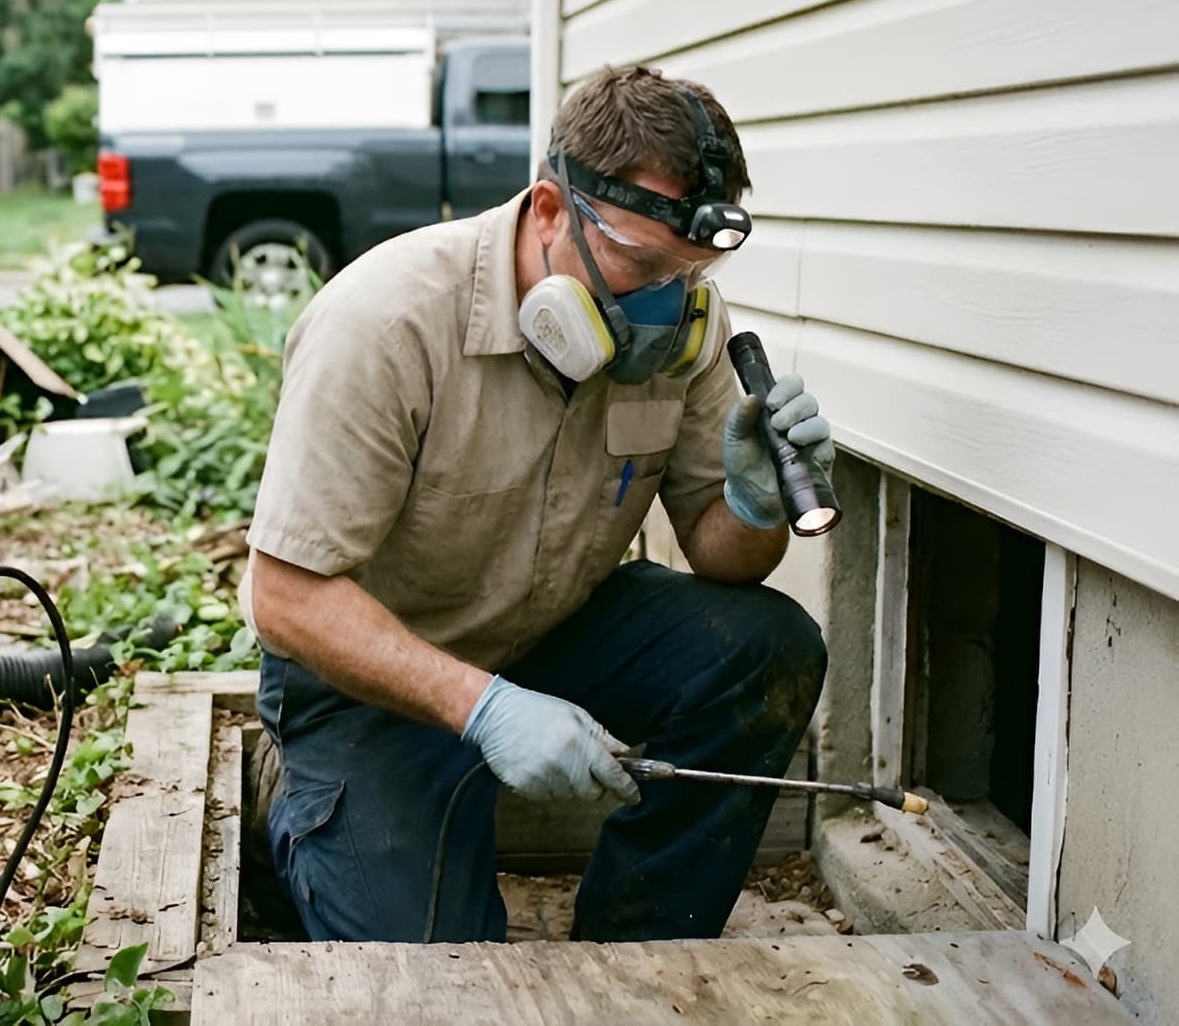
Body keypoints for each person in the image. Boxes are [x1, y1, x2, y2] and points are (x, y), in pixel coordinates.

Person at [238, 65, 835, 946]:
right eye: (639, 265)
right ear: (551, 211)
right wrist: (484, 709)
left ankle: (641, 946)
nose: (668, 305)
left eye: (692, 272)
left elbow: (722, 560)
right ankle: (291, 794)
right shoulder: (387, 322)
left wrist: (753, 507)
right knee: (437, 982)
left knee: (768, 648)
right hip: (370, 679)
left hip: (551, 628)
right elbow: (283, 595)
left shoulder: (681, 328)